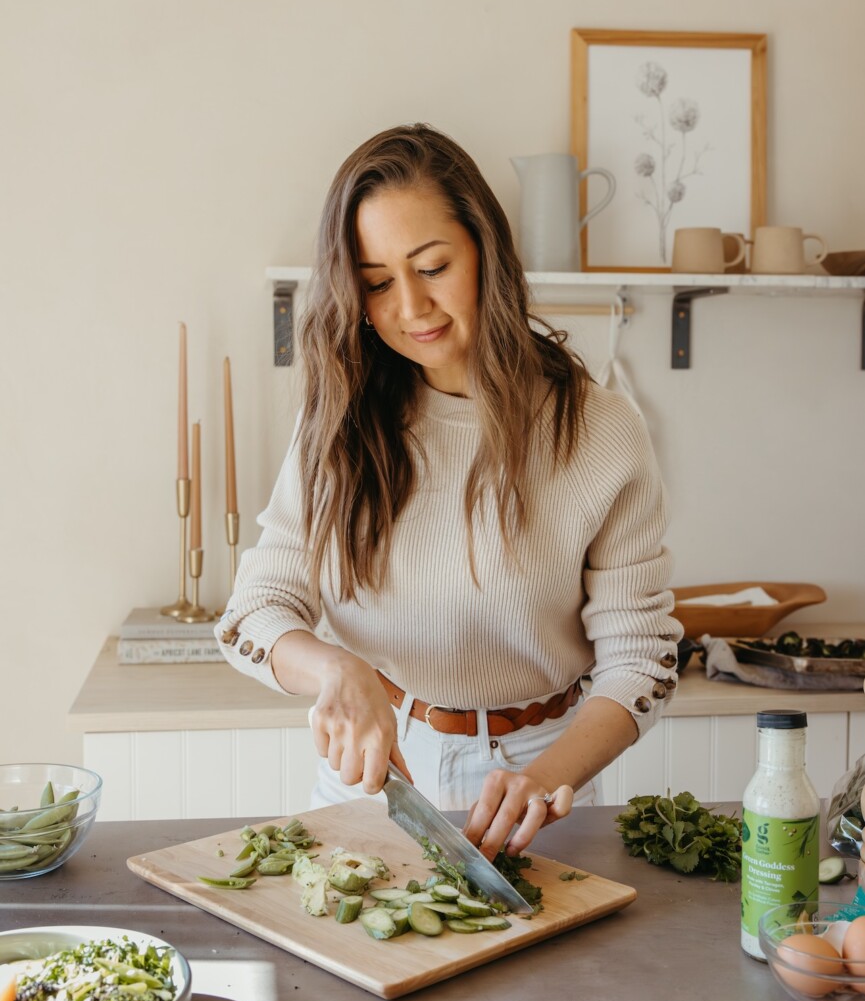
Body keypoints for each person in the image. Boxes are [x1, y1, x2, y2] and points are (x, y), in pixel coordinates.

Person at [216, 123, 682, 859]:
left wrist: (544, 778)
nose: (410, 306)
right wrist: (338, 669)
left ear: (484, 252)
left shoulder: (598, 428)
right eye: (375, 282)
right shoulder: (337, 420)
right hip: (373, 775)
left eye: (432, 265)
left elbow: (643, 658)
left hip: (542, 780)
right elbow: (253, 612)